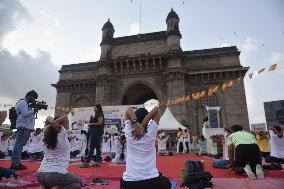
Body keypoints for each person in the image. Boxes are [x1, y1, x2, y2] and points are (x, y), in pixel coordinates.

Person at [120, 106, 171, 189]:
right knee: (166, 182)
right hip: (151, 182)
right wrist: (142, 125)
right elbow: (157, 109)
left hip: (129, 183)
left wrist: (136, 123)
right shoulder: (151, 134)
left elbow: (128, 109)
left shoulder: (129, 133)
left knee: (122, 180)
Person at [37, 115, 83, 189]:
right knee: (79, 182)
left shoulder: (45, 134)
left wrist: (52, 123)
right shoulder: (62, 134)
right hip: (55, 174)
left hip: (40, 175)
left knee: (49, 183)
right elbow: (65, 117)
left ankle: (44, 186)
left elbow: (48, 117)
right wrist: (56, 124)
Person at [10, 90, 39, 170]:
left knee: (19, 145)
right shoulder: (23, 102)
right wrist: (34, 110)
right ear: (29, 96)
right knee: (18, 145)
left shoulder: (26, 104)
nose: (34, 100)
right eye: (34, 98)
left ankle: (16, 162)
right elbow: (24, 114)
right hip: (23, 127)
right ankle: (15, 164)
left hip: (25, 127)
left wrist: (33, 108)